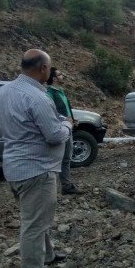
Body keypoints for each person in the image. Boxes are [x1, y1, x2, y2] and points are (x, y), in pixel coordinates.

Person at [0, 49, 73, 268]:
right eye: (49, 68)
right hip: (37, 170)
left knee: (38, 217)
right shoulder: (37, 97)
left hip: (15, 166)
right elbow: (54, 135)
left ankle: (48, 255)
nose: (50, 72)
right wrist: (68, 125)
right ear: (42, 69)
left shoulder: (5, 91)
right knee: (34, 223)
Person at [46, 67, 81, 195]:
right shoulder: (49, 93)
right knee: (58, 159)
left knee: (66, 158)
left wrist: (72, 119)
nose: (63, 76)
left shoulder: (60, 91)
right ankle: (51, 189)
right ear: (54, 78)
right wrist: (65, 119)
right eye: (60, 75)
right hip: (59, 130)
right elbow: (51, 112)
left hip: (67, 128)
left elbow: (65, 109)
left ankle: (66, 186)